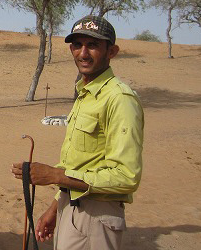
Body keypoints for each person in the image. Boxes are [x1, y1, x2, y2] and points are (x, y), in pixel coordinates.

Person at [11, 15, 144, 250]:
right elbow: (78, 163)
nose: (83, 53)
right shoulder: (85, 94)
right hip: (70, 207)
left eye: (92, 45)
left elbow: (126, 177)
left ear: (111, 51)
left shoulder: (119, 99)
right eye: (77, 45)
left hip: (96, 216)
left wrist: (55, 175)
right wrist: (55, 209)